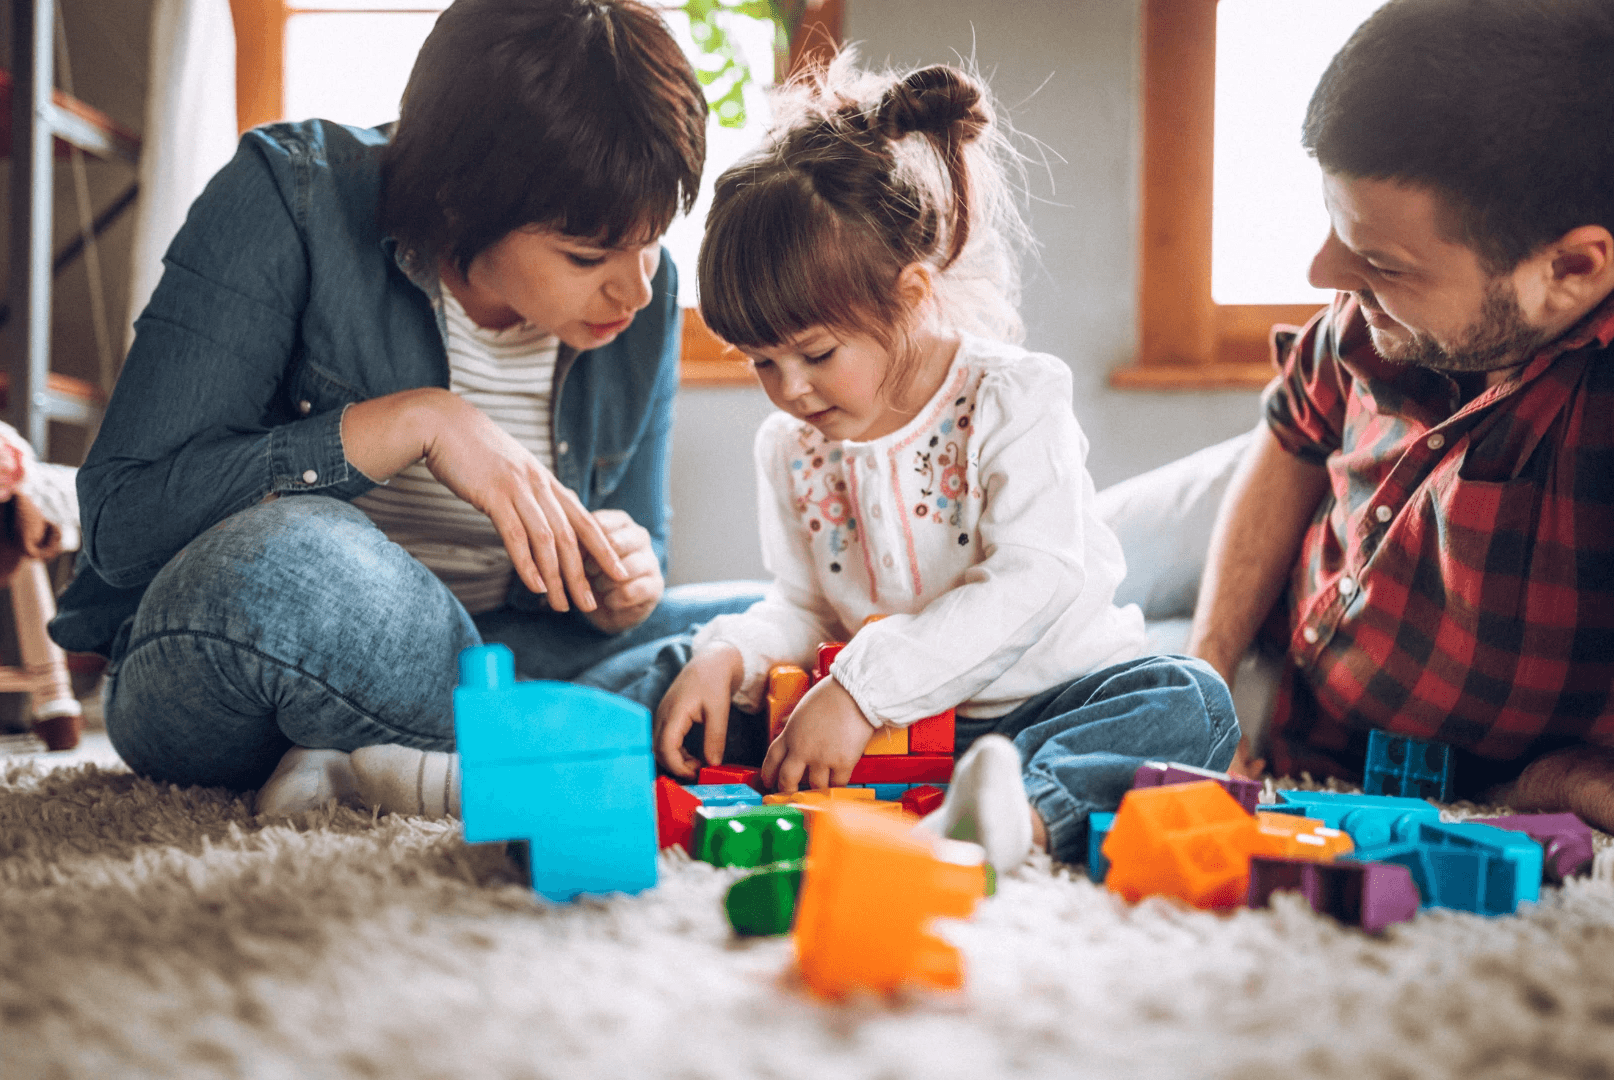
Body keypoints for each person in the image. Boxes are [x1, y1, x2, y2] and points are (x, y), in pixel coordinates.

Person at [48, 0, 760, 814]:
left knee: (762, 628)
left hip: (506, 648)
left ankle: (385, 762)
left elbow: (638, 551)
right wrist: (414, 422)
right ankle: (544, 744)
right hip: (260, 643)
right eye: (587, 254)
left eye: (653, 240)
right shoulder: (293, 195)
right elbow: (122, 521)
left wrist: (620, 587)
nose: (636, 287)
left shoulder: (643, 291)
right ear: (462, 202)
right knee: (295, 562)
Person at [651, 58, 1240, 875]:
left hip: (1045, 705)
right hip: (887, 729)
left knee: (1191, 701)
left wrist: (861, 692)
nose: (788, 390)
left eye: (815, 353)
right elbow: (801, 605)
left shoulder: (1014, 398)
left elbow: (1037, 579)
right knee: (689, 672)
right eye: (760, 362)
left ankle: (1018, 813)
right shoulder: (789, 448)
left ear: (912, 294)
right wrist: (735, 656)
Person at [1183, 0, 1614, 827]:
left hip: (1398, 753)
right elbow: (1289, 440)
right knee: (1063, 574)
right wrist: (1208, 671)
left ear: (1571, 267)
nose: (1321, 272)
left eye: (1380, 259)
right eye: (1336, 229)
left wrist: (1555, 782)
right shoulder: (1372, 309)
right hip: (1281, 573)